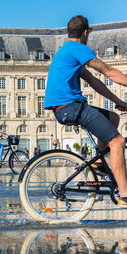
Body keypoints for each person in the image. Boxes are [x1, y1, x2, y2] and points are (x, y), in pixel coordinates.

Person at [44, 15, 127, 207]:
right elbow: (108, 72)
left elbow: (95, 82)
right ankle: (124, 194)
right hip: (71, 107)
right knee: (118, 141)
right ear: (86, 32)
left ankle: (98, 161)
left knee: (113, 118)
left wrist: (118, 101)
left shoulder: (67, 52)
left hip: (67, 107)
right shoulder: (79, 49)